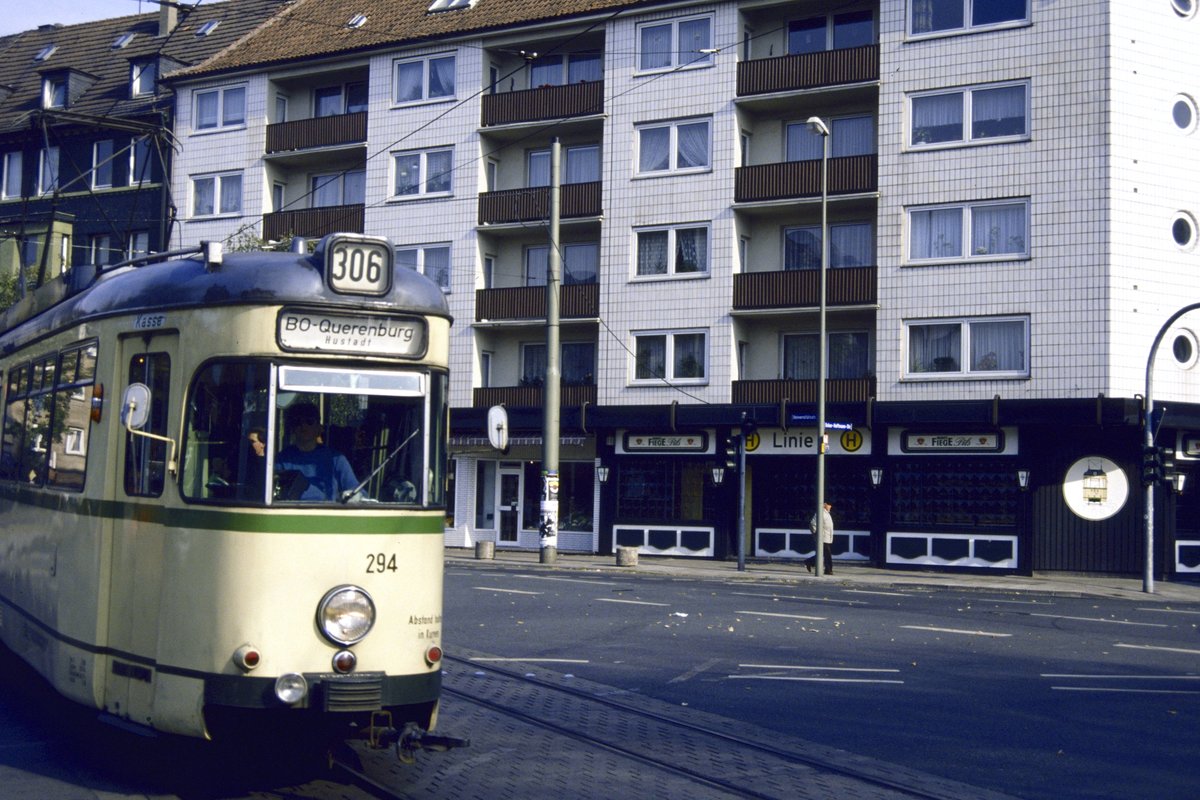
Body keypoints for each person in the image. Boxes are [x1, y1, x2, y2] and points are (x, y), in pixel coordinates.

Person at [275, 403, 358, 501]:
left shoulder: (336, 459)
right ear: (292, 428)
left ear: (319, 427)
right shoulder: (281, 460)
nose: (303, 426)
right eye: (298, 422)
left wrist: (352, 496)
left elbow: (356, 491)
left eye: (309, 421)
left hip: (327, 510)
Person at [806, 502, 834, 575]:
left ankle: (809, 561)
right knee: (827, 554)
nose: (830, 507)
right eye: (829, 505)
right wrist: (817, 533)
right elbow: (812, 524)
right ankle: (828, 569)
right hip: (823, 537)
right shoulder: (821, 513)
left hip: (826, 537)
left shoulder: (827, 513)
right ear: (825, 505)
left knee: (822, 553)